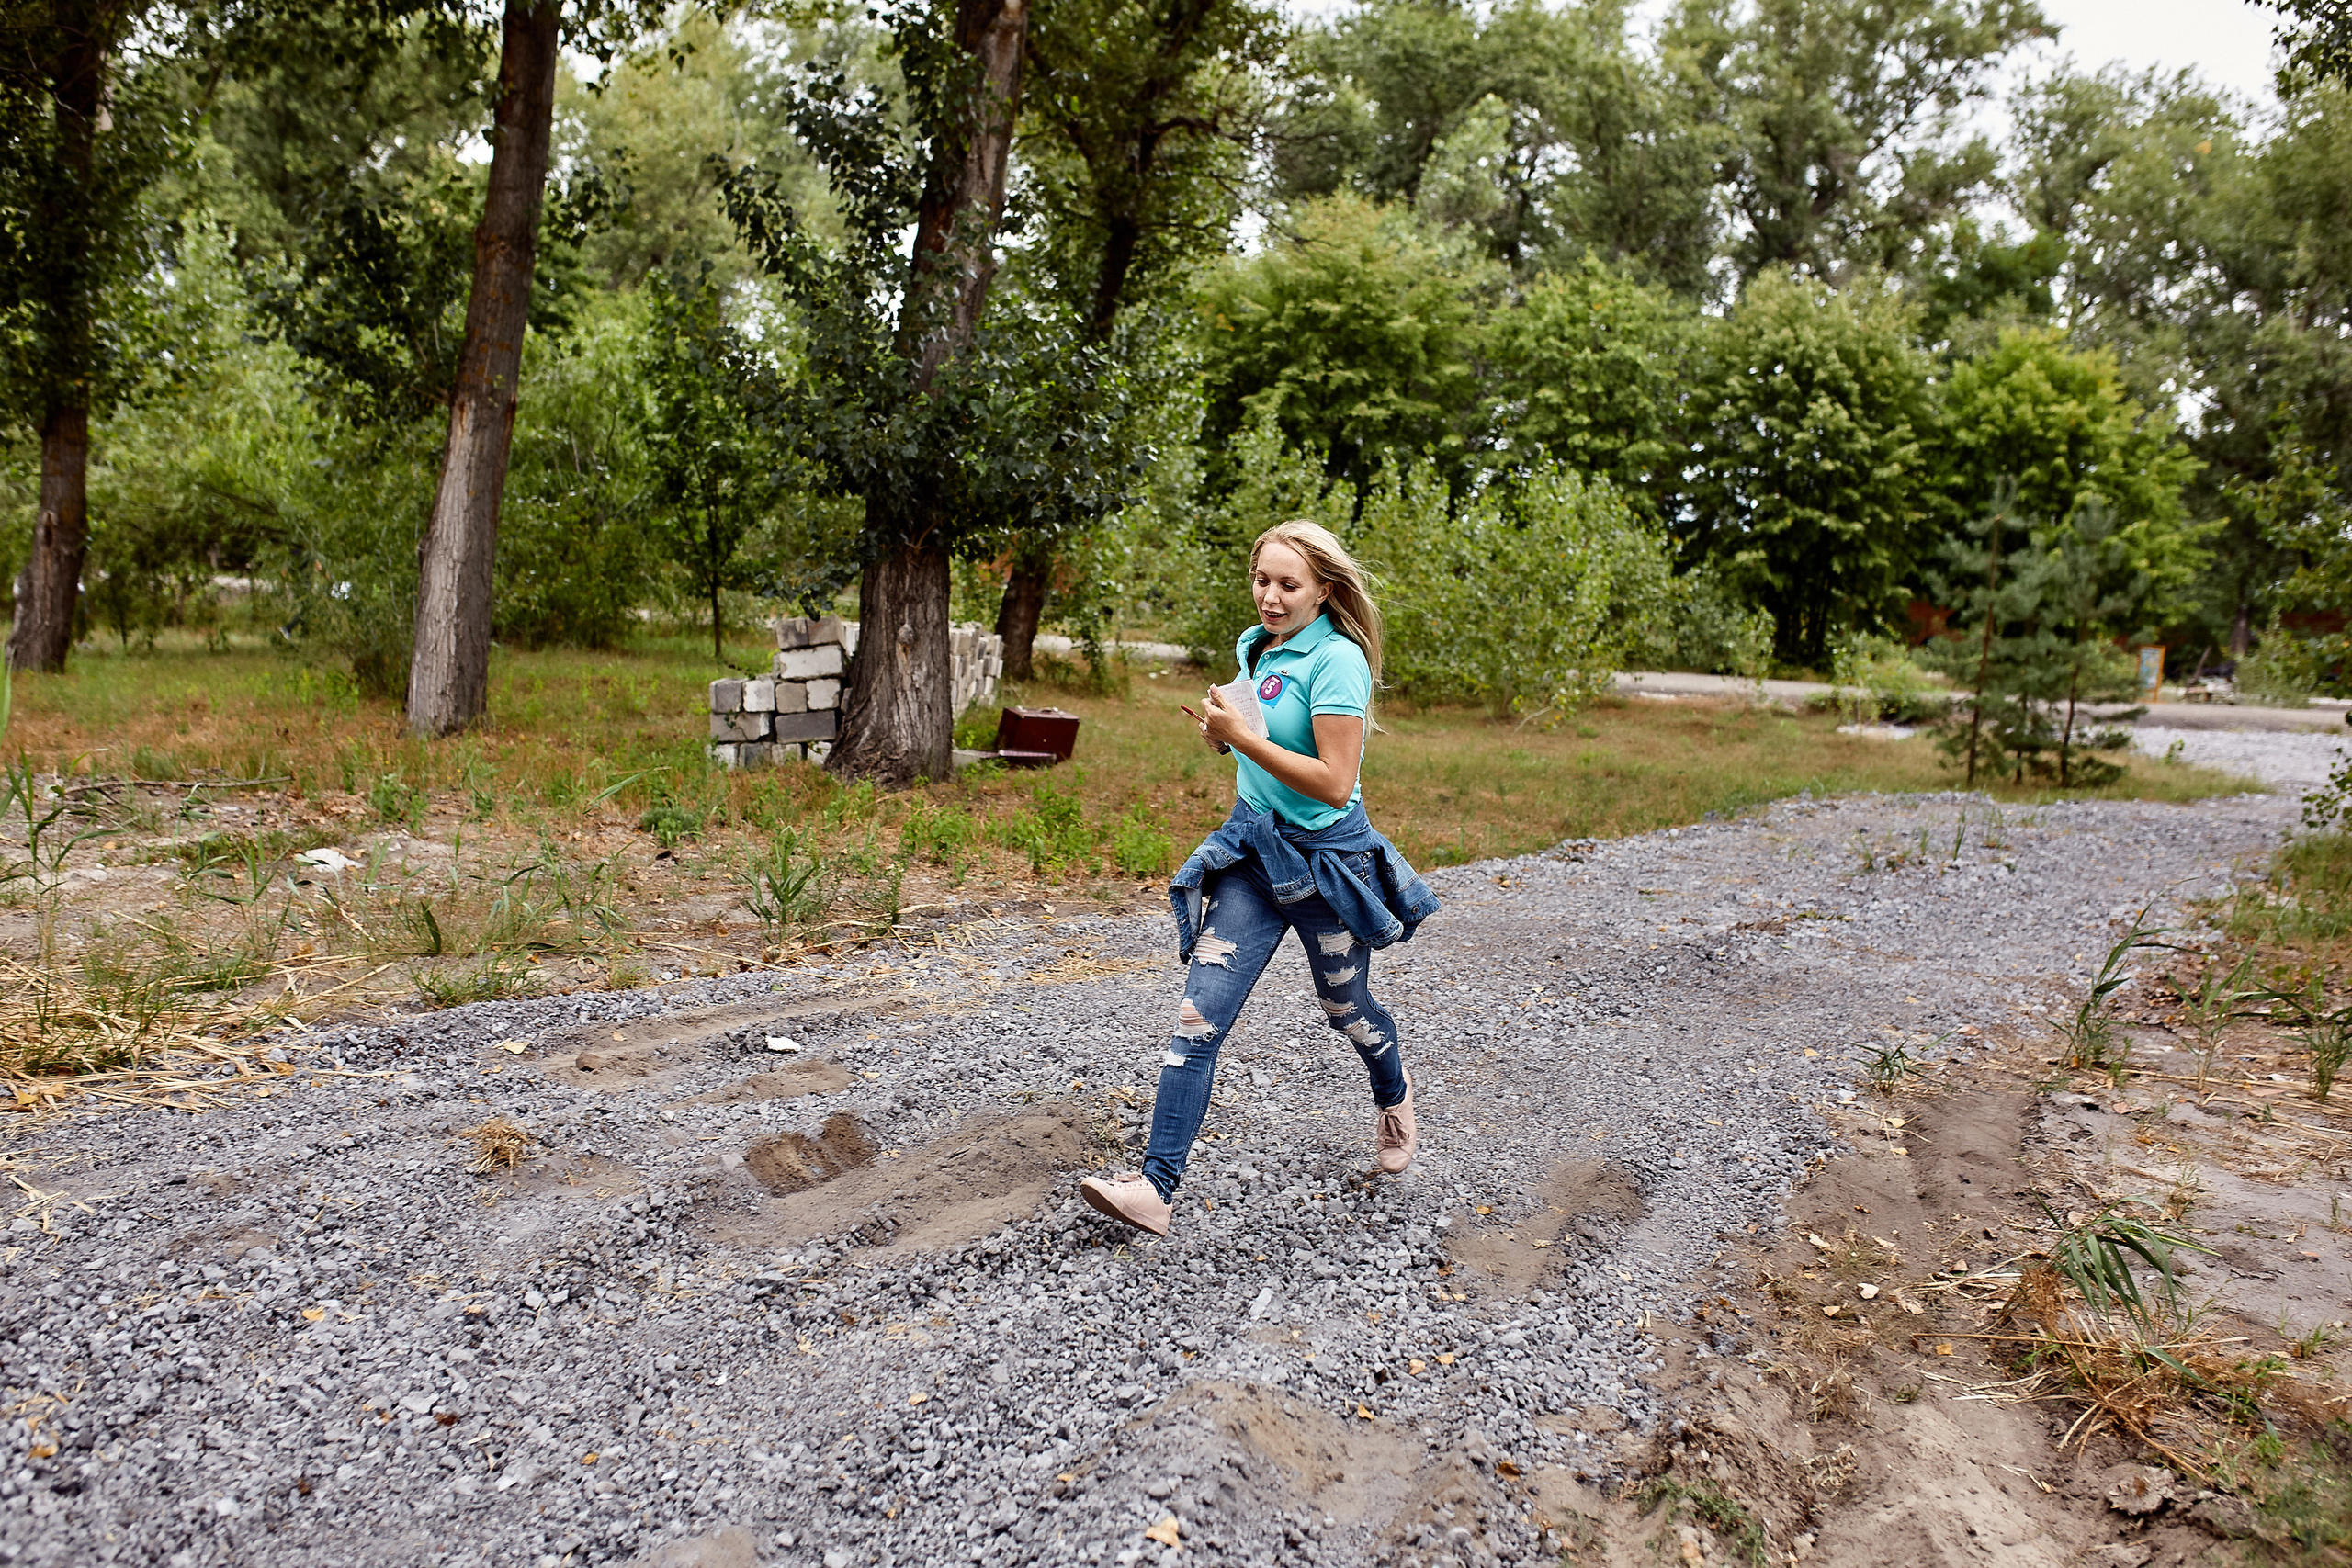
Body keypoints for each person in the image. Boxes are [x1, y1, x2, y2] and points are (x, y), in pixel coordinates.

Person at [1080, 521, 1439, 1236]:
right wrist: (1226, 738)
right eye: (1262, 580)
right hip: (1252, 854)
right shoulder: (1258, 645)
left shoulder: (1338, 661)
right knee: (1198, 1016)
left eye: (1288, 585)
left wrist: (1244, 737)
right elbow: (1260, 745)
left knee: (1346, 1009)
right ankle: (1155, 1187)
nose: (1270, 596)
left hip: (1327, 865)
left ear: (1324, 591)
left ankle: (1393, 1092)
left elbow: (1334, 781)